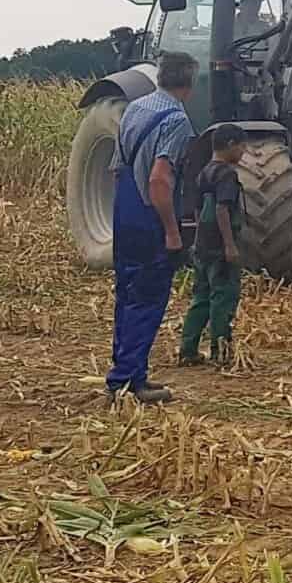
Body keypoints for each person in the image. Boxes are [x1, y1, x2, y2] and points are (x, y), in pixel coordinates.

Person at [106, 52, 196, 404]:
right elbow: (160, 180)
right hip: (150, 215)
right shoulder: (176, 121)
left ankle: (127, 374)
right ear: (190, 82)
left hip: (125, 210)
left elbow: (117, 168)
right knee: (147, 300)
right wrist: (172, 232)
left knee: (127, 295)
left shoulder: (135, 108)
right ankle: (129, 382)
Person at [176, 123, 248, 367]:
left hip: (203, 245)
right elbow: (222, 209)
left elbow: (197, 210)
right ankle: (221, 351)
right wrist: (229, 245)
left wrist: (200, 238)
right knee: (223, 297)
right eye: (241, 147)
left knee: (201, 298)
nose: (243, 153)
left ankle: (188, 349)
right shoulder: (227, 174)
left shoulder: (204, 172)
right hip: (219, 248)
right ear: (230, 145)